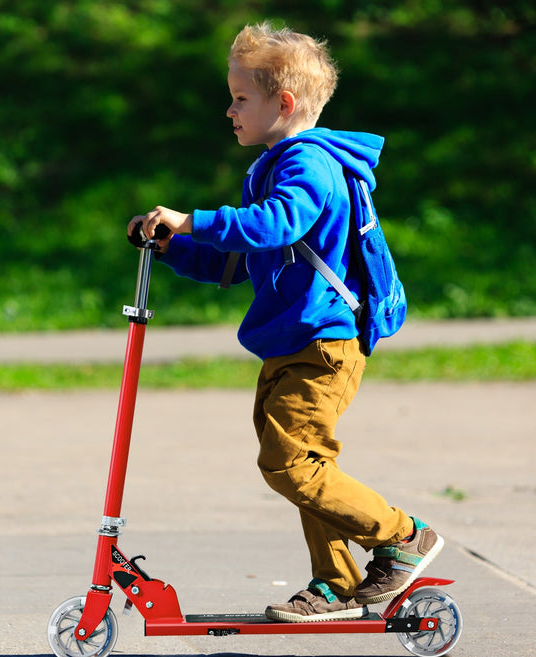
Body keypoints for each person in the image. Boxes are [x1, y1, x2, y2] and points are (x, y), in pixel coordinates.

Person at [128, 22, 443, 622]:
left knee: (290, 464)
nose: (229, 110)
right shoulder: (277, 163)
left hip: (325, 345)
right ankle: (339, 581)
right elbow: (240, 260)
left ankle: (403, 537)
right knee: (301, 465)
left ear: (285, 103)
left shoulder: (308, 166)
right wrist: (172, 245)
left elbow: (274, 225)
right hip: (293, 341)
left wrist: (194, 217)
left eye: (241, 98)